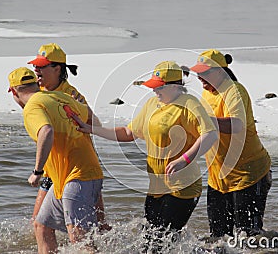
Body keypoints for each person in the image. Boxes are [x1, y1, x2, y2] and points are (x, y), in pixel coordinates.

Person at [74, 61, 218, 248]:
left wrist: (184, 160)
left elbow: (210, 134)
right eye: (153, 86)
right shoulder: (152, 104)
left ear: (174, 86)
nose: (153, 90)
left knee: (159, 242)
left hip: (183, 187)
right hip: (157, 188)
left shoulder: (189, 104)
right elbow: (128, 133)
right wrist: (93, 129)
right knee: (150, 241)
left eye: (158, 86)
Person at [7, 67, 104, 253]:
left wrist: (37, 171)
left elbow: (46, 131)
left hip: (78, 177)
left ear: (13, 91)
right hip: (71, 177)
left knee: (82, 243)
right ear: (36, 84)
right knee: (41, 226)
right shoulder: (60, 97)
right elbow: (95, 124)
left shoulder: (33, 107)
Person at [27, 43, 110, 231]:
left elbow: (95, 125)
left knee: (99, 227)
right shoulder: (38, 92)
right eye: (35, 66)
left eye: (42, 66)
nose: (36, 70)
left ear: (58, 69)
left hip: (77, 169)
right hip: (52, 169)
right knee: (38, 225)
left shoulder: (70, 95)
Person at [190, 49, 272, 238]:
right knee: (218, 238)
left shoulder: (235, 91)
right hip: (218, 179)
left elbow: (236, 125)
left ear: (219, 71)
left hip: (248, 174)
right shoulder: (207, 94)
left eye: (204, 72)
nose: (199, 77)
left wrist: (205, 120)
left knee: (249, 237)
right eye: (198, 72)